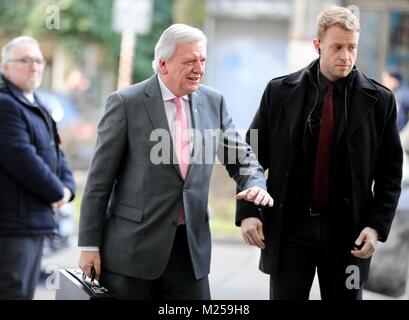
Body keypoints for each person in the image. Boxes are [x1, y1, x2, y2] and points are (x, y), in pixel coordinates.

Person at [78, 23, 273, 300]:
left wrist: (256, 184)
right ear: (163, 64)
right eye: (190, 60)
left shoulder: (213, 102)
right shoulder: (126, 103)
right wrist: (89, 244)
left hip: (190, 252)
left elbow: (242, 159)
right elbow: (99, 181)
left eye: (202, 59)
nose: (199, 68)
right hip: (132, 252)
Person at [236, 6, 403, 300]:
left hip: (349, 235)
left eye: (352, 47)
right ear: (318, 46)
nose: (346, 55)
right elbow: (250, 156)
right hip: (290, 229)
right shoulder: (279, 92)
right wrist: (249, 213)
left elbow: (390, 173)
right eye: (337, 47)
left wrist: (376, 227)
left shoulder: (380, 101)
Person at [0, 36, 76, 299]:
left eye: (38, 61)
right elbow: (21, 157)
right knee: (13, 292)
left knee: (25, 293)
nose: (34, 66)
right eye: (25, 61)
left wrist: (67, 187)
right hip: (11, 226)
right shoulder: (5, 104)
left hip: (34, 221)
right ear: (6, 67)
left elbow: (57, 152)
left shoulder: (37, 104)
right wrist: (56, 192)